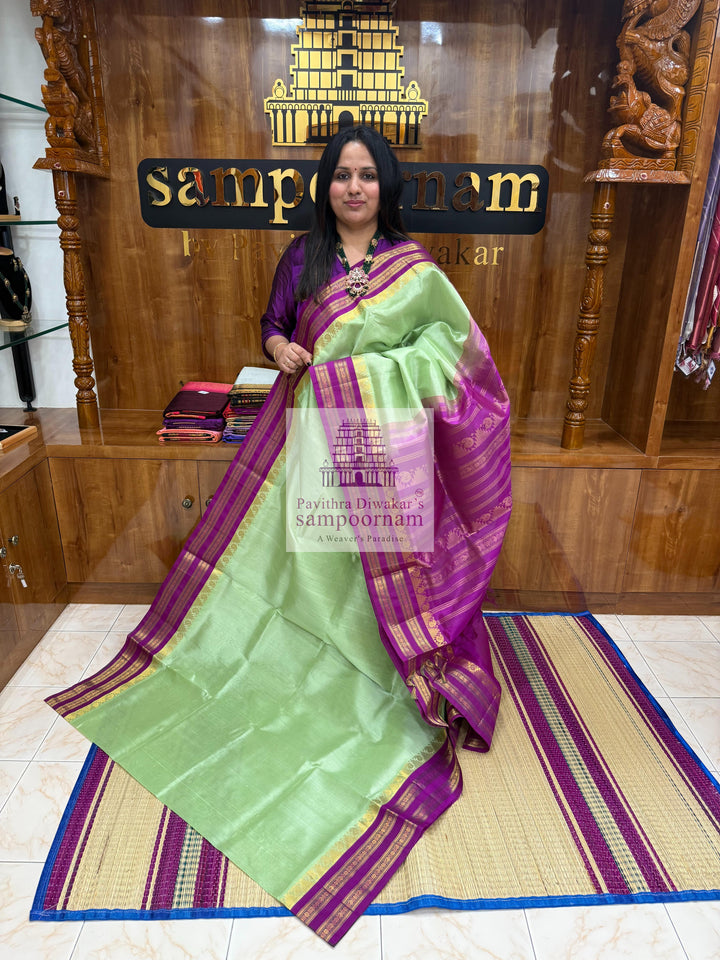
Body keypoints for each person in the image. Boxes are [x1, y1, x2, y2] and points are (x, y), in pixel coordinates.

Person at [46, 126, 512, 946]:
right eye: (342, 175)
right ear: (326, 185)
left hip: (385, 446)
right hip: (312, 438)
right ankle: (296, 654)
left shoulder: (416, 267)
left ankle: (381, 665)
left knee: (380, 575)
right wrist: (282, 347)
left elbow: (453, 353)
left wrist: (366, 373)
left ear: (385, 187)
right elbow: (269, 326)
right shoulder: (304, 258)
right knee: (310, 569)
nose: (355, 187)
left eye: (368, 176)